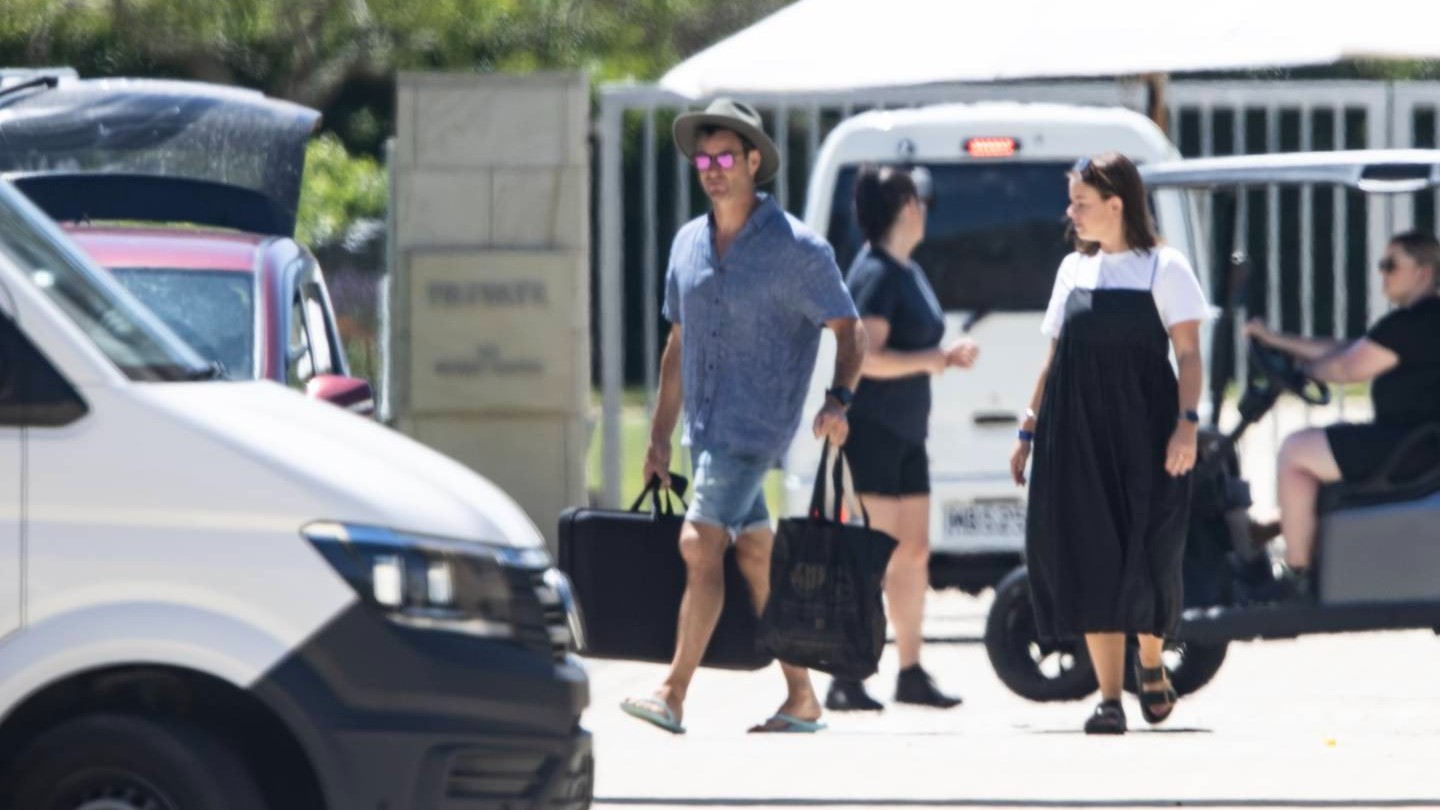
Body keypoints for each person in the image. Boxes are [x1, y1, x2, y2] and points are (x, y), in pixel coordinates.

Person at [620, 98, 866, 735]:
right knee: (755, 555)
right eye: (704, 158)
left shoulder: (797, 250)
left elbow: (849, 329)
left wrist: (839, 400)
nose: (713, 168)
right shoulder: (686, 244)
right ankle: (802, 697)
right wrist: (658, 437)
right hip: (703, 431)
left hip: (755, 430)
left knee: (699, 543)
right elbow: (679, 344)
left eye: (726, 156)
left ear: (755, 161)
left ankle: (672, 692)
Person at [1010, 153, 1208, 735]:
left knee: (1149, 550)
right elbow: (1054, 356)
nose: (1070, 214)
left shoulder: (1164, 268)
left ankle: (1151, 661)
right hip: (1078, 433)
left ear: (1117, 205)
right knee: (1092, 554)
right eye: (1072, 202)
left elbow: (1189, 354)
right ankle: (1108, 698)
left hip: (1147, 430)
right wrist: (1028, 427)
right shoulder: (1073, 269)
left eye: (1081, 203)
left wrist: (1187, 423)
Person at [823, 165, 975, 713]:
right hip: (877, 434)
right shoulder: (878, 274)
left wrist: (941, 358)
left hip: (909, 433)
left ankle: (910, 671)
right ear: (907, 206)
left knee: (913, 554)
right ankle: (846, 673)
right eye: (922, 199)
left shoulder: (905, 269)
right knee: (875, 557)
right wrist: (936, 359)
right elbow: (867, 361)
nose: (927, 209)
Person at [1245, 230, 1440, 598]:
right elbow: (1347, 350)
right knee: (1316, 446)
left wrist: (1301, 371)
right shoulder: (1418, 323)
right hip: (1416, 445)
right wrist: (1279, 342)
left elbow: (1347, 368)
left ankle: (1296, 575)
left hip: (1408, 449)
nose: (1382, 273)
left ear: (1423, 272)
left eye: (1391, 264)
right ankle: (1292, 538)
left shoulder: (1414, 324)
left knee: (1296, 451)